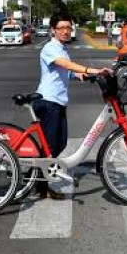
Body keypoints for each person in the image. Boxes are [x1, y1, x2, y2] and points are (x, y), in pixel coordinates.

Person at [33, 11, 112, 199]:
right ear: (53, 30)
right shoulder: (50, 48)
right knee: (51, 146)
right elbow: (65, 65)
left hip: (58, 102)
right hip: (47, 101)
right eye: (61, 28)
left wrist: (79, 75)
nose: (66, 31)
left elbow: (63, 71)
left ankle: (36, 178)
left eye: (69, 28)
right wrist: (91, 69)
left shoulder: (62, 48)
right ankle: (42, 185)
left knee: (59, 143)